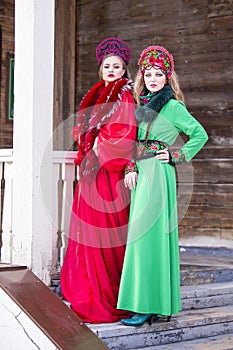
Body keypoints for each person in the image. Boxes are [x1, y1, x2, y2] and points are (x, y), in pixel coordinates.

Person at [117, 45, 208, 326]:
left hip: (158, 174)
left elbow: (199, 135)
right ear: (142, 76)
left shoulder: (173, 106)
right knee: (142, 238)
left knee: (148, 239)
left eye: (159, 74)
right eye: (149, 74)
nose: (154, 78)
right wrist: (130, 166)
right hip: (142, 173)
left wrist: (176, 155)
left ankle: (147, 305)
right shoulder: (144, 105)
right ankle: (154, 303)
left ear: (168, 78)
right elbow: (137, 142)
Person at [60, 38, 137, 323]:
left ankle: (108, 293)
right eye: (107, 66)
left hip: (108, 174)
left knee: (106, 232)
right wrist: (84, 136)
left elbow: (124, 130)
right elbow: (82, 126)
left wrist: (97, 147)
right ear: (100, 69)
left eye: (117, 66)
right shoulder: (98, 93)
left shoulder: (123, 96)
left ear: (124, 70)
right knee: (86, 232)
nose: (111, 70)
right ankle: (87, 286)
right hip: (91, 173)